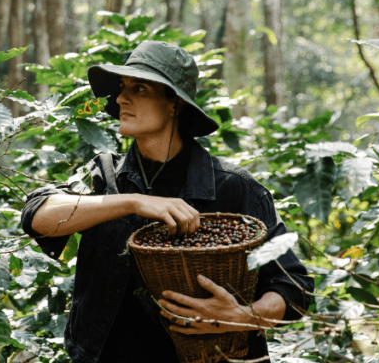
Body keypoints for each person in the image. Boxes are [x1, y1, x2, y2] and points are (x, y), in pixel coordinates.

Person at [20, 41, 313, 362]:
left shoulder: (234, 188)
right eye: (121, 87)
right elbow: (37, 215)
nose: (121, 98)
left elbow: (295, 287)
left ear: (174, 104)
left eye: (140, 88)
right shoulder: (104, 175)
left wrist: (244, 315)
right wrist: (133, 202)